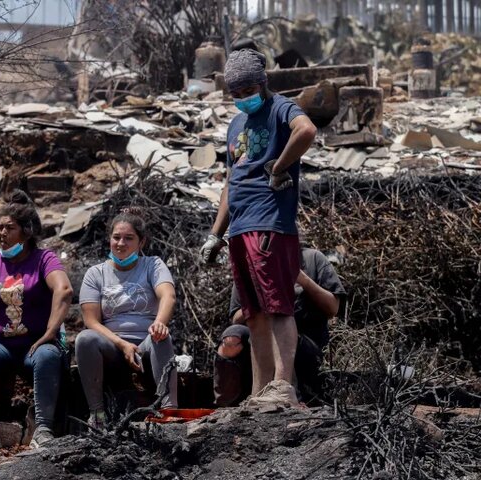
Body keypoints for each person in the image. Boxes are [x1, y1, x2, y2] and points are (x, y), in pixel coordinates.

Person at [199, 48, 317, 407]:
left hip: (270, 222)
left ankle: (283, 385)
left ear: (263, 82)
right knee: (254, 315)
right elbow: (230, 182)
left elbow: (307, 130)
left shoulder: (282, 107)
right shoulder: (236, 125)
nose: (241, 98)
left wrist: (280, 166)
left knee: (278, 305)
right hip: (239, 228)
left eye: (247, 90)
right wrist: (215, 234)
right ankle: (260, 391)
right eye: (235, 93)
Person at [0, 191, 73, 451]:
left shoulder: (44, 259)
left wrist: (51, 332)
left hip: (36, 345)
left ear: (27, 231)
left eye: (10, 228)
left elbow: (63, 290)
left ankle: (43, 430)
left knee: (47, 356)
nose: (2, 233)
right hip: (2, 348)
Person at [76, 208, 178, 429]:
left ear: (141, 242)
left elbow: (167, 295)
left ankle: (169, 411)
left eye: (129, 238)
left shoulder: (153, 265)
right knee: (85, 338)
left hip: (146, 342)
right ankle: (98, 415)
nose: (121, 243)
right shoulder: (96, 273)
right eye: (116, 237)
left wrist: (160, 322)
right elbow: (91, 321)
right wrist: (122, 344)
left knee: (162, 336)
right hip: (112, 344)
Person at [214, 247, 346, 407]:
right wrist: (259, 300)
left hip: (306, 346)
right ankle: (225, 403)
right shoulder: (249, 266)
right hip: (258, 339)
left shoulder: (312, 258)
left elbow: (333, 307)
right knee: (232, 336)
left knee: (279, 333)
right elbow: (236, 318)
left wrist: (303, 280)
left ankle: (289, 396)